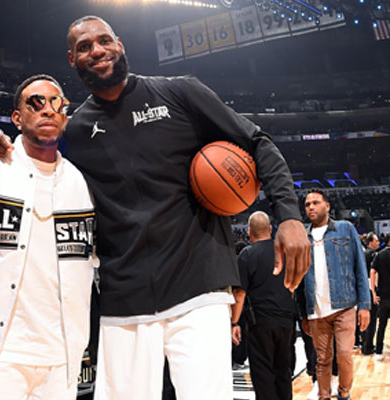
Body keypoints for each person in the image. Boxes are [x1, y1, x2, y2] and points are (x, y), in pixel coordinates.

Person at [53, 15, 310, 399]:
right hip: (124, 298)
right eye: (85, 47)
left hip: (198, 285)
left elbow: (257, 142)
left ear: (120, 44)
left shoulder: (179, 93)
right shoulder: (74, 131)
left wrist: (288, 216)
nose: (98, 51)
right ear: (72, 59)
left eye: (104, 41)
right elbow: (39, 169)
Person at [0, 75, 96, 399]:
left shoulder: (82, 184)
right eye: (36, 103)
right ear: (17, 118)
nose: (48, 110)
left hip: (63, 357)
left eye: (57, 104)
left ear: (65, 114)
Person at [300, 190, 370, 400]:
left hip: (345, 306)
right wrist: (303, 314)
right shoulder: (304, 238)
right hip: (316, 311)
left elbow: (360, 267)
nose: (311, 207)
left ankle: (343, 393)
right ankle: (323, 396)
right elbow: (301, 280)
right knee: (322, 360)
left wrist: (365, 305)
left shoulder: (345, 229)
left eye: (315, 202)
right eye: (307, 204)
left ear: (327, 206)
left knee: (344, 356)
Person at [231, 211, 296, 400]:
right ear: (270, 229)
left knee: (263, 375)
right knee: (284, 372)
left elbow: (240, 293)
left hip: (260, 323)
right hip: (286, 321)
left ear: (249, 231)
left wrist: (234, 322)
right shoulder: (285, 252)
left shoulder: (247, 254)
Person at [371, 236, 390, 361]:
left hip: (383, 295)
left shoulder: (379, 255)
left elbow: (372, 272)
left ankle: (378, 350)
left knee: (381, 324)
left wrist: (373, 292)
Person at [361, 233, 380, 356]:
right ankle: (368, 346)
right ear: (370, 242)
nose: (378, 243)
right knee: (372, 319)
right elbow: (373, 274)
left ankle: (365, 344)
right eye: (376, 241)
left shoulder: (363, 254)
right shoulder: (372, 255)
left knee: (363, 319)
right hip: (369, 288)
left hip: (363, 289)